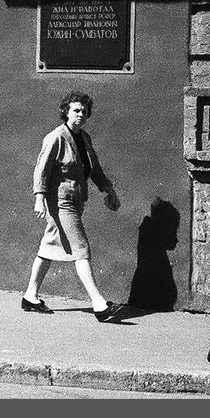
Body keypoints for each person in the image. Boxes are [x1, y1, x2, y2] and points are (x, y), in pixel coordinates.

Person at [22, 91, 125, 323]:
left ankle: (30, 295)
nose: (81, 114)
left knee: (49, 246)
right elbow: (42, 169)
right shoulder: (55, 138)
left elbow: (94, 168)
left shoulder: (84, 138)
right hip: (60, 202)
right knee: (80, 248)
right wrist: (39, 197)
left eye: (84, 111)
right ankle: (99, 304)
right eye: (76, 110)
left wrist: (108, 190)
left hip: (76, 200)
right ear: (66, 112)